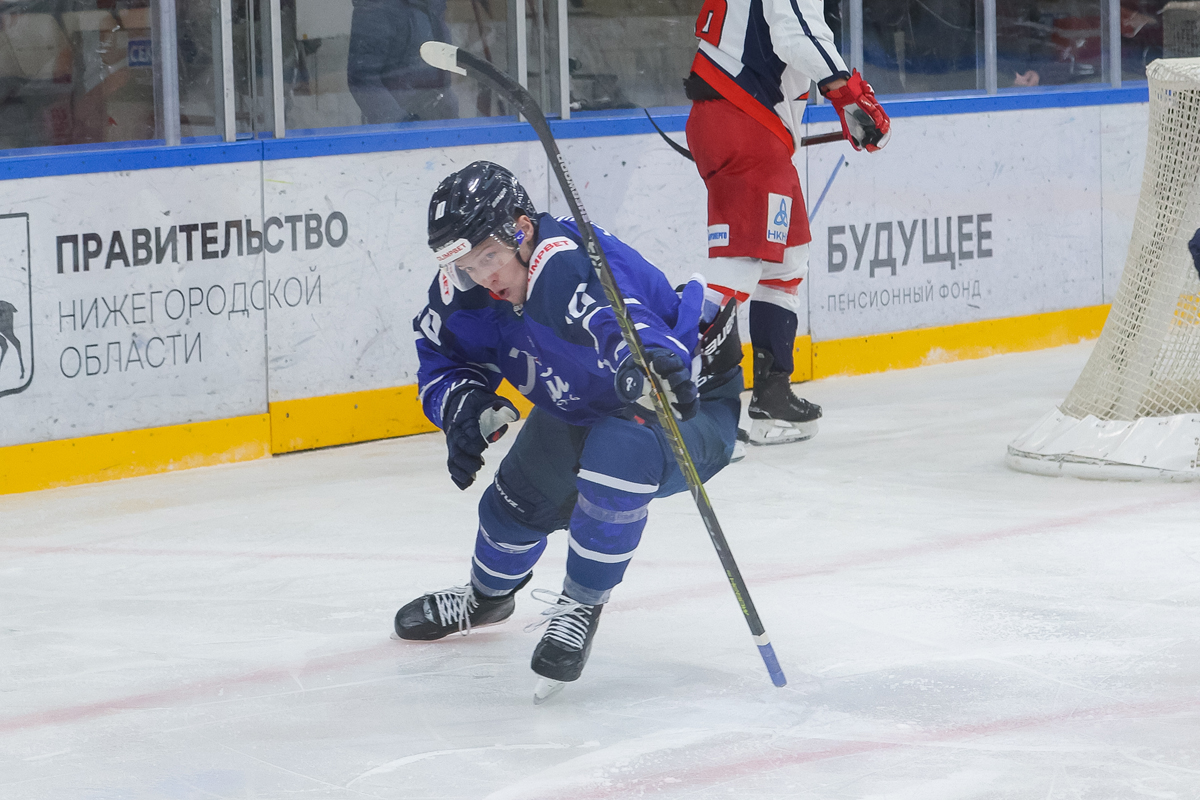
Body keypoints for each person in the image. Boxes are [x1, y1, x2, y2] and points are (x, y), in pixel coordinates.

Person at [393, 161, 744, 693]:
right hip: (582, 401)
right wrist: (462, 406)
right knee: (514, 503)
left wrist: (642, 360)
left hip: (683, 403)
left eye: (488, 257)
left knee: (619, 450)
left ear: (522, 230)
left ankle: (580, 606)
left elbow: (622, 318)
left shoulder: (569, 265)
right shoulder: (469, 289)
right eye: (466, 265)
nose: (483, 276)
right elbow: (443, 357)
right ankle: (485, 599)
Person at [685, 0, 891, 445]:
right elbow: (795, 32)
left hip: (746, 122)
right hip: (744, 121)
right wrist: (849, 95)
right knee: (740, 264)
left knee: (787, 259)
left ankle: (772, 395)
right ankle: (683, 399)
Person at [347, 0, 459, 124]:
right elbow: (363, 78)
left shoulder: (433, 6)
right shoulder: (377, 9)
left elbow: (437, 65)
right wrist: (402, 124)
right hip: (403, 126)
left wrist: (448, 100)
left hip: (441, 120)